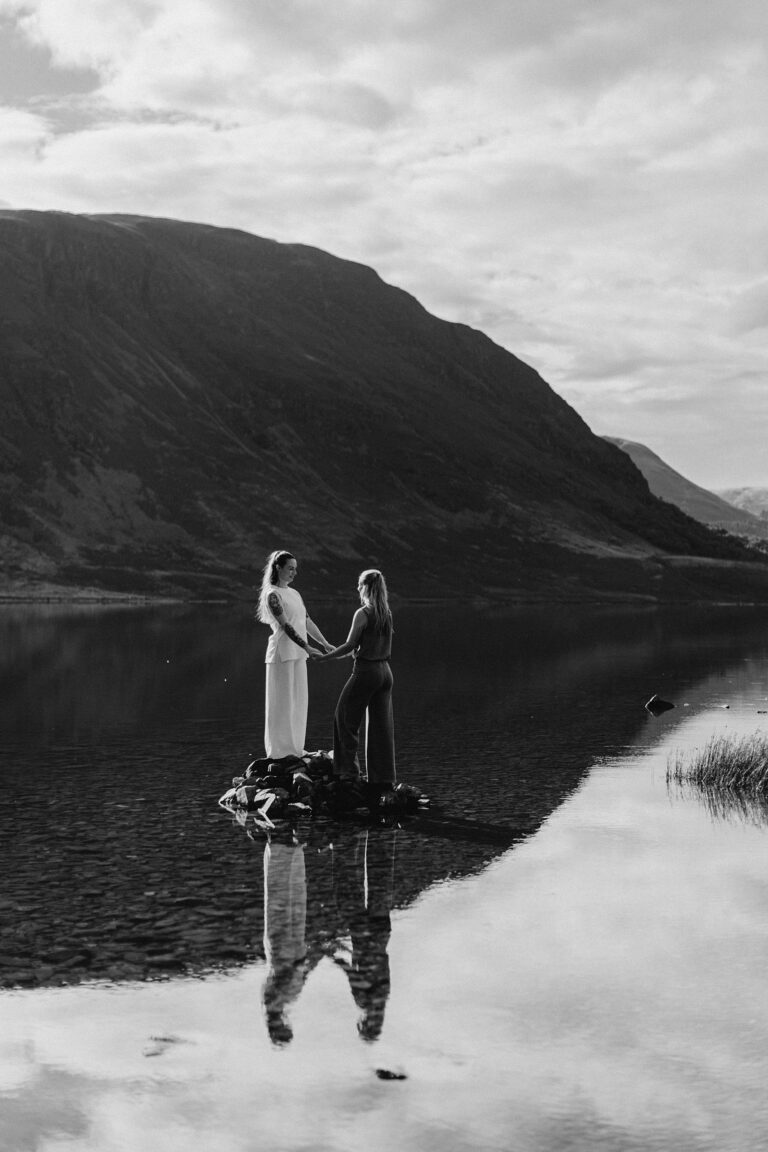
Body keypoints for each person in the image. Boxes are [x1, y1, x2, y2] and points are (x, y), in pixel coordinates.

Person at [317, 569, 395, 799]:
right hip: (386, 673)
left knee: (344, 718)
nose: (357, 589)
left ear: (366, 587)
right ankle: (383, 779)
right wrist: (335, 652)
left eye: (359, 585)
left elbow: (351, 645)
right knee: (381, 728)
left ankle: (348, 774)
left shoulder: (362, 613)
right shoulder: (386, 613)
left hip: (367, 671)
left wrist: (324, 657)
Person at [256, 550, 332, 759]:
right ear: (278, 568)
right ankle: (280, 752)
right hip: (281, 653)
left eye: (295, 569)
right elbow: (285, 626)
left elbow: (306, 621)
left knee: (299, 701)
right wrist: (307, 647)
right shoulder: (272, 594)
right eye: (290, 568)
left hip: (298, 654)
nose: (294, 573)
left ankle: (295, 749)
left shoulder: (295, 593)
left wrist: (324, 643)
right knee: (282, 702)